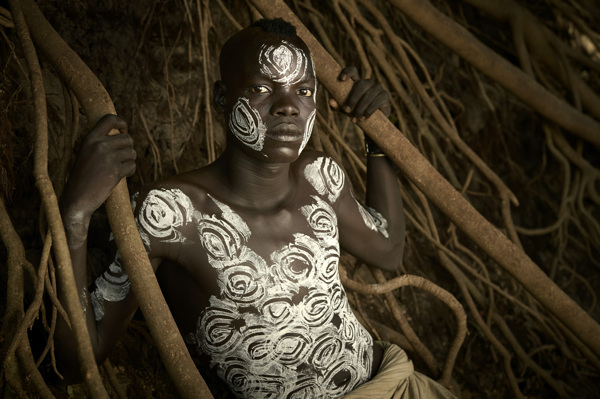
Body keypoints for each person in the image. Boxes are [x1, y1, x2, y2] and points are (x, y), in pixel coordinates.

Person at [56, 18, 455, 399]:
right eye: (262, 89)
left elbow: (388, 251)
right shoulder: (171, 214)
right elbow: (79, 364)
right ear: (221, 98)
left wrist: (379, 135)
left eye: (303, 91)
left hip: (396, 384)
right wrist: (75, 214)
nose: (288, 106)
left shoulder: (320, 176)